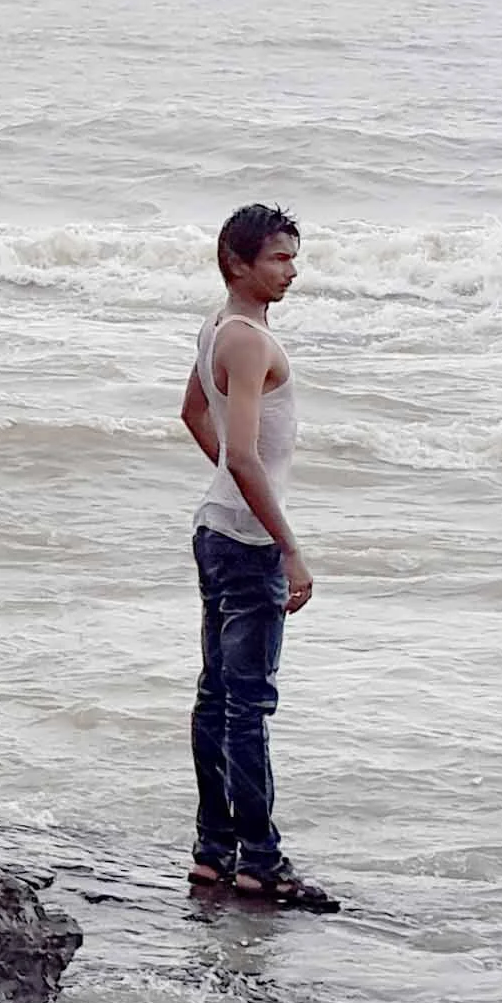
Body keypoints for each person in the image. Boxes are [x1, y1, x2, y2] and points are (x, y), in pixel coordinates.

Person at [178, 204, 336, 912]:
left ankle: (216, 852)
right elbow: (240, 449)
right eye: (278, 257)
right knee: (246, 705)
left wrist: (232, 484)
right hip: (245, 543)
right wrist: (289, 544)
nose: (291, 270)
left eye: (293, 257)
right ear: (237, 262)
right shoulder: (245, 339)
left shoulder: (221, 326)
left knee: (219, 697)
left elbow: (191, 412)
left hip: (220, 526)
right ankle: (260, 861)